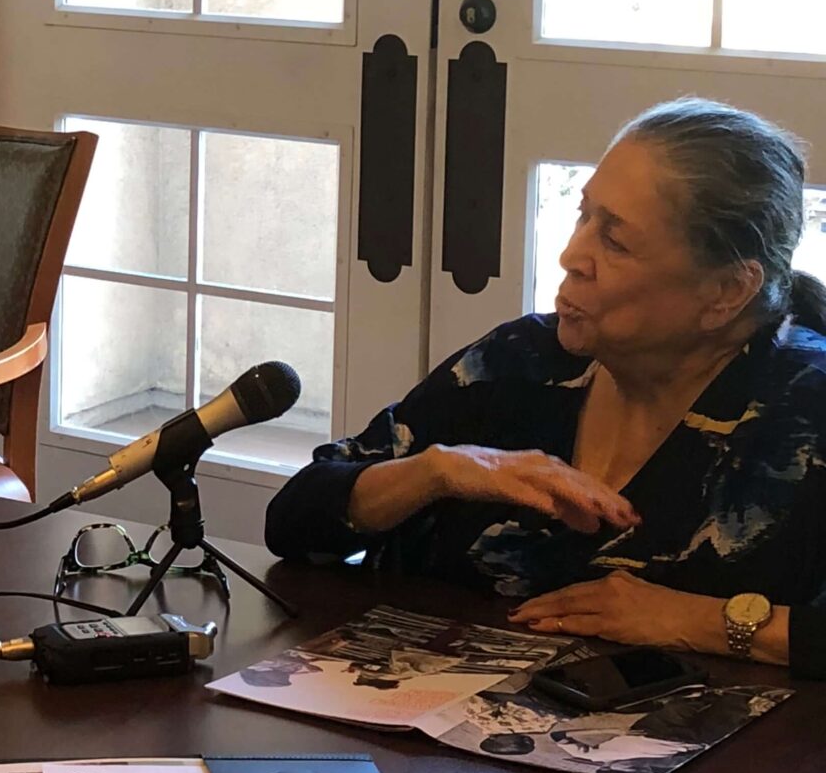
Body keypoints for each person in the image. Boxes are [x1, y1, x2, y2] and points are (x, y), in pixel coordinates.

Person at [266, 99, 826, 679]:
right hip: (435, 739)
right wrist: (434, 472)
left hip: (718, 759)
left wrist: (703, 621)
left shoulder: (807, 407)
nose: (571, 255)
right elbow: (293, 523)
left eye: (615, 241)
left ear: (726, 292)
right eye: (583, 217)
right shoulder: (523, 360)